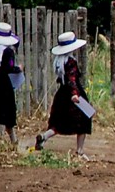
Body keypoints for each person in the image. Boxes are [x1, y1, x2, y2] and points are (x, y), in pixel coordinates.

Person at [34, 32, 95, 160]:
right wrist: (75, 94)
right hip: (73, 93)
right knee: (84, 119)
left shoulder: (59, 61)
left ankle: (44, 137)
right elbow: (72, 79)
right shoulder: (71, 62)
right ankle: (80, 151)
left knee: (59, 121)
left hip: (61, 94)